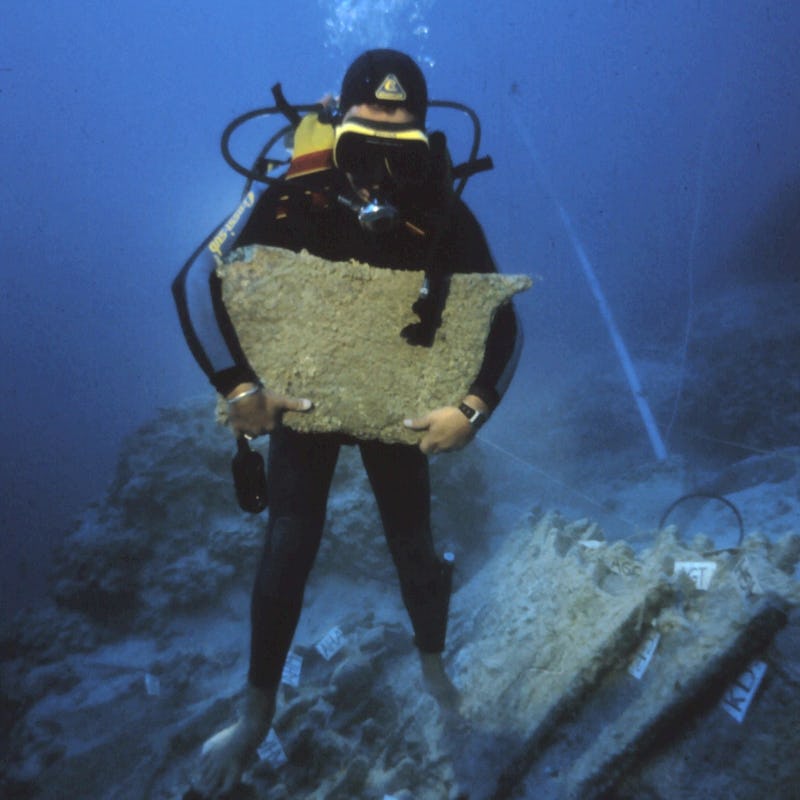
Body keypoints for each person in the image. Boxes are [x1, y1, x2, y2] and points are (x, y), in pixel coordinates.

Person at [172, 48, 521, 798]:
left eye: (403, 153)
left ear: (426, 145)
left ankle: (434, 670)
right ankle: (255, 713)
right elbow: (200, 284)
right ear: (335, 134)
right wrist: (239, 391)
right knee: (289, 545)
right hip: (312, 400)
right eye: (365, 148)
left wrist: (471, 409)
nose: (381, 178)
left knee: (414, 545)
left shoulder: (442, 211)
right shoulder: (297, 195)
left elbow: (503, 321)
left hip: (399, 402)